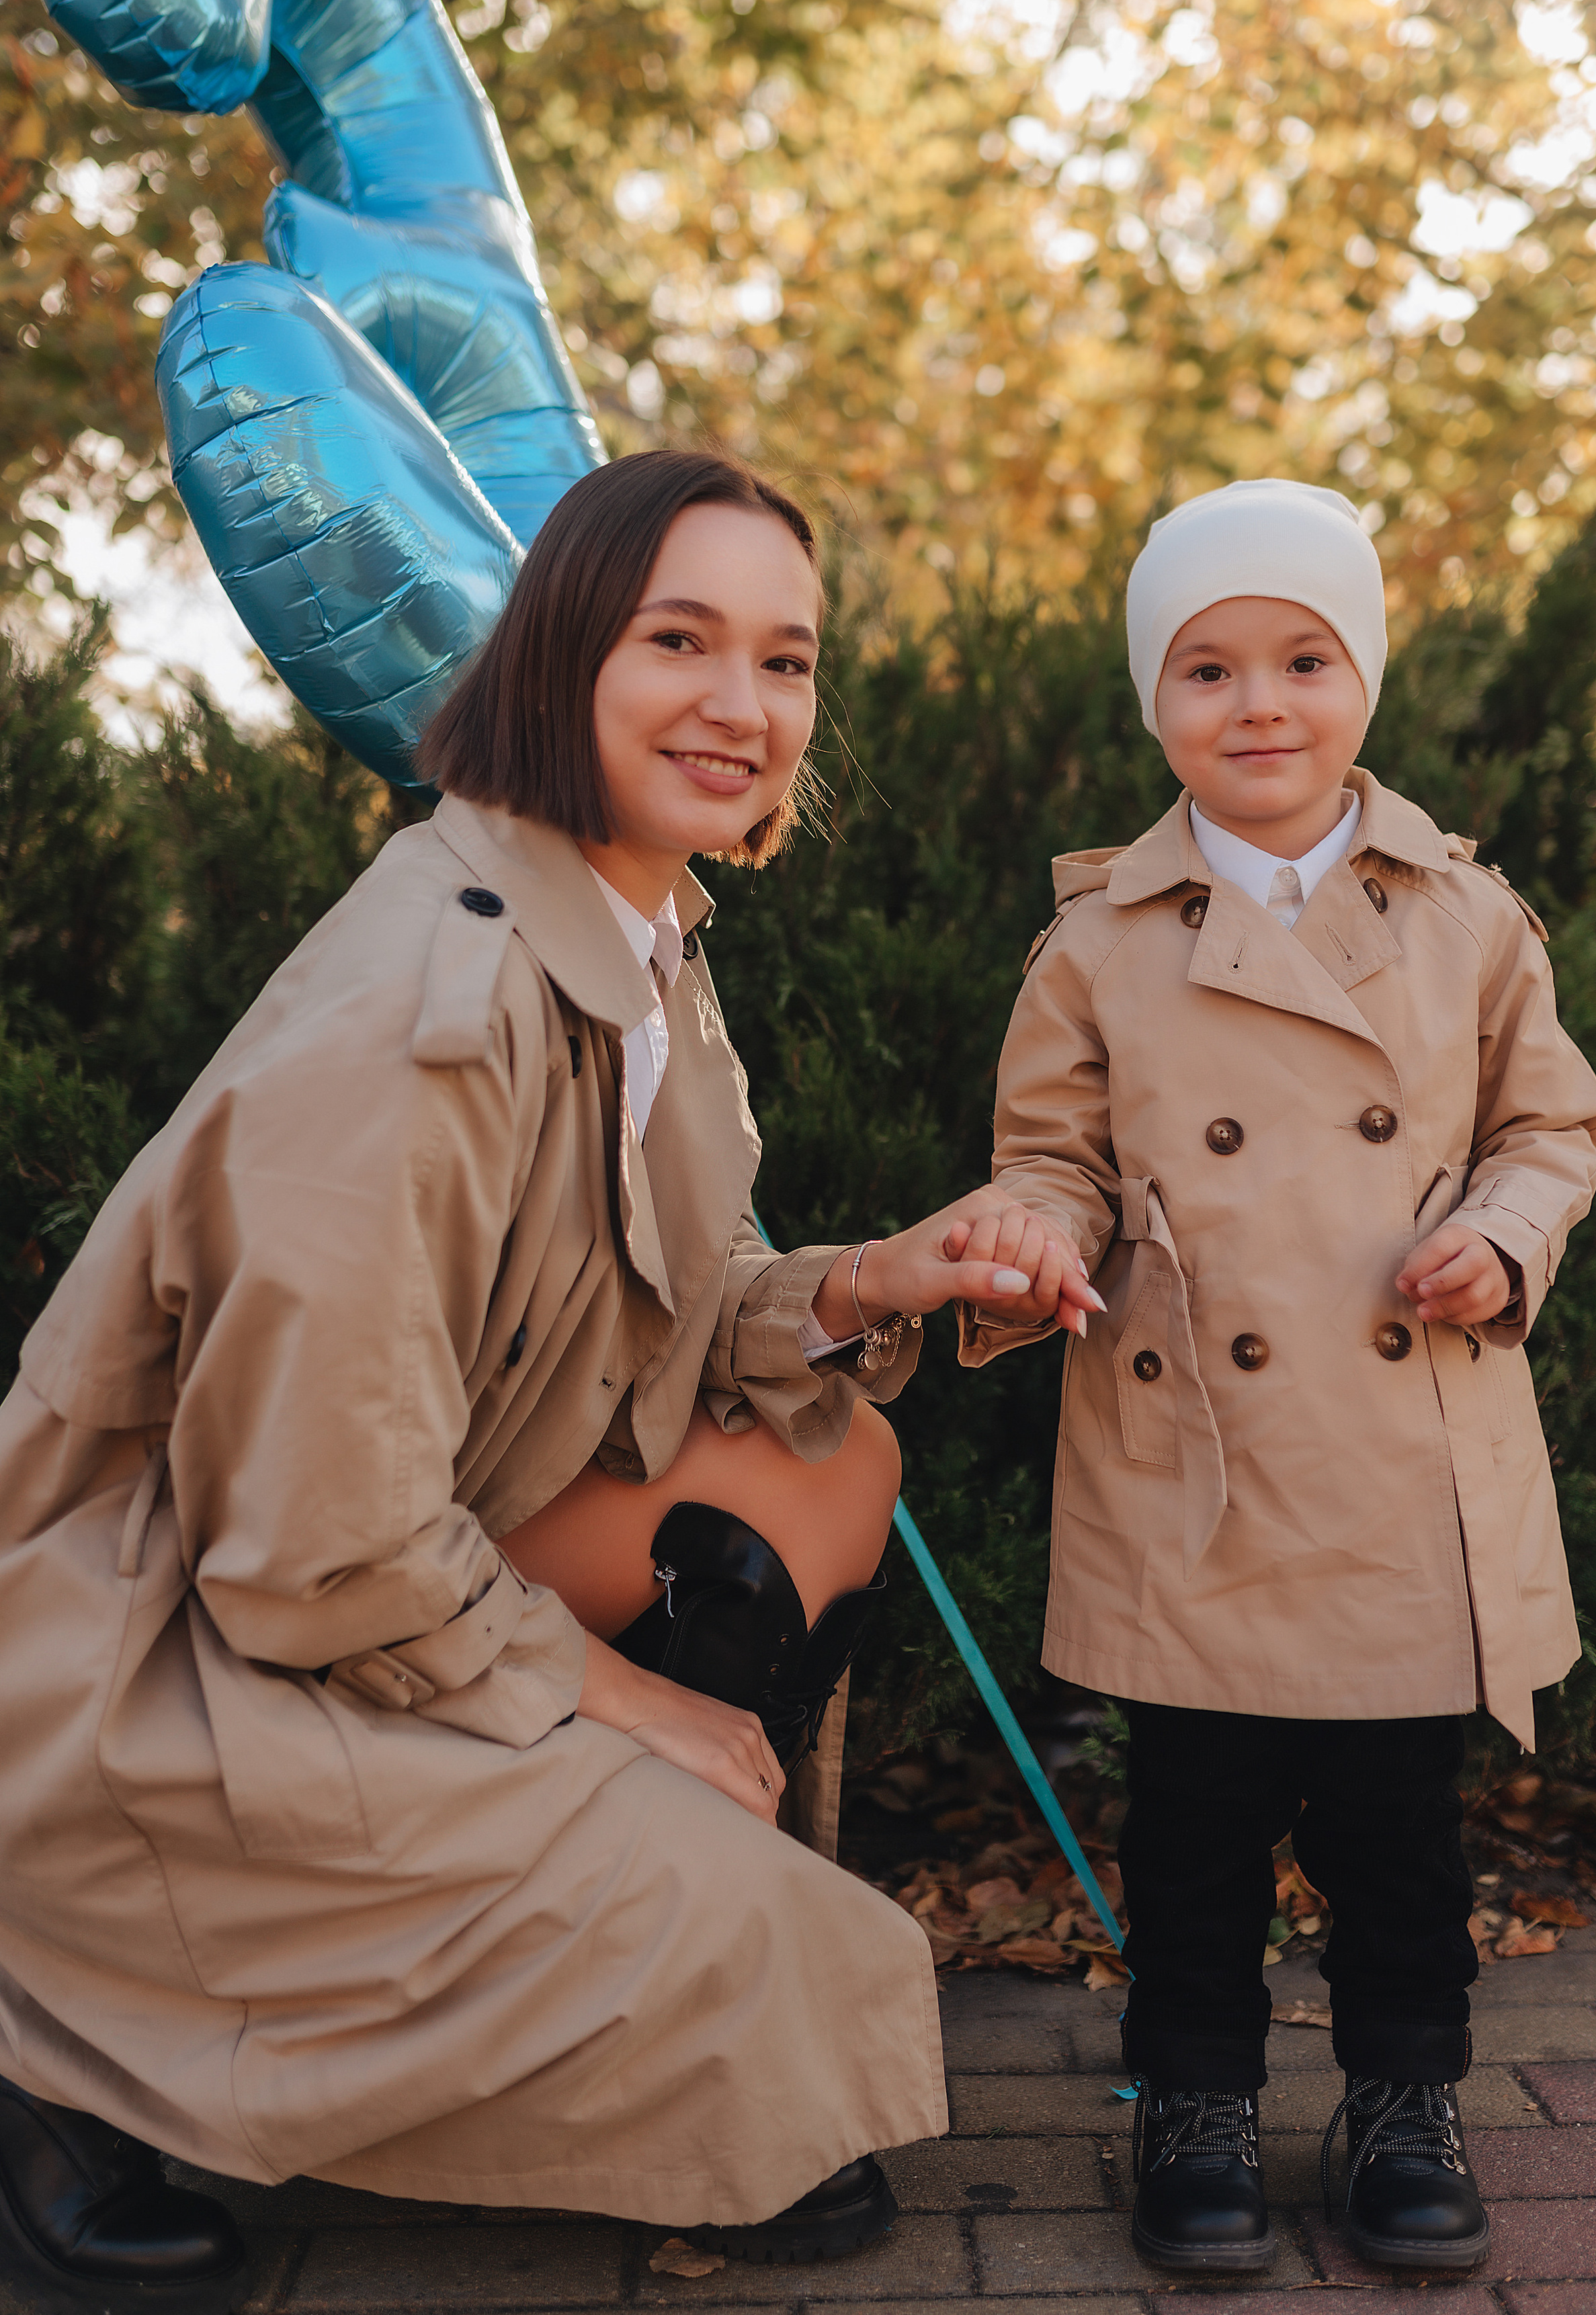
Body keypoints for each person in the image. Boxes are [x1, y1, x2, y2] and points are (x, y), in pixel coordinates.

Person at [0, 448, 1095, 2314]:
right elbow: (309, 1542)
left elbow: (625, 1320)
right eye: (682, 639)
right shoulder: (423, 1021)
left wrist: (865, 1283)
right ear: (564, 653)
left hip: (369, 1573)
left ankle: (570, 1896)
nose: (743, 706)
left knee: (828, 1469)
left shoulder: (628, 933)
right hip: (163, 1660)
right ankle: (55, 2042)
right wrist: (611, 1703)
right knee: (788, 2015)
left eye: (787, 658)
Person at [952, 479, 1596, 2279]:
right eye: (1207, 665)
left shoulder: (1470, 917)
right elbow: (1052, 1156)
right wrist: (1028, 1231)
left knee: (1403, 1842)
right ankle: (1200, 2108)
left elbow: (1555, 1123)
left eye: (1304, 658)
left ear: (1365, 682)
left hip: (1406, 1449)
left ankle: (1406, 2105)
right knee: (1194, 1840)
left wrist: (1504, 1233)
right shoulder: (1097, 943)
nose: (1260, 702)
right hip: (1200, 1462)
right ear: (1155, 704)